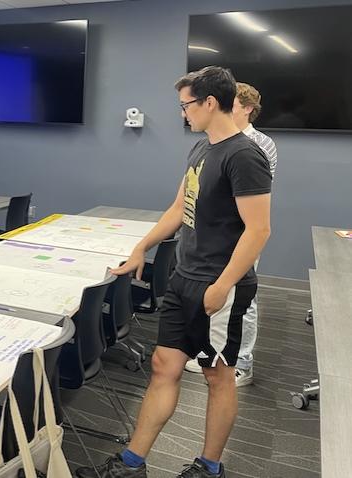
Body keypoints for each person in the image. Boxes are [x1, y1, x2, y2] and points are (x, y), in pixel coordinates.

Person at [76, 67, 272, 478]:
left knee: (217, 376)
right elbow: (178, 208)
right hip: (185, 276)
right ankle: (131, 464)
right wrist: (140, 248)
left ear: (210, 103)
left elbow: (258, 230)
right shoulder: (201, 150)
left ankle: (209, 467)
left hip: (219, 284)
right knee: (165, 365)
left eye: (186, 106)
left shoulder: (244, 156)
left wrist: (223, 285)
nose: (183, 114)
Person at [184, 82, 277, 387]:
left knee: (241, 301)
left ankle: (242, 364)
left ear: (248, 109)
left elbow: (251, 204)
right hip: (213, 237)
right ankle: (209, 352)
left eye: (234, 104)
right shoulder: (211, 142)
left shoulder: (258, 145)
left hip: (241, 234)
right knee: (212, 299)